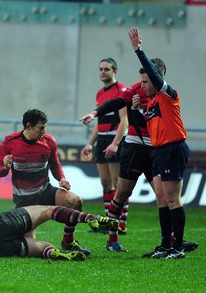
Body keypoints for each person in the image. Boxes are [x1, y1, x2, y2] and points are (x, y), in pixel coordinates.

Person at [80, 68, 198, 254]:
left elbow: (156, 119)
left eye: (146, 81)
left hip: (158, 149)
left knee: (164, 197)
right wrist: (95, 113)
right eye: (142, 81)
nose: (142, 84)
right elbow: (118, 104)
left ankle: (173, 243)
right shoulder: (134, 90)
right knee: (122, 192)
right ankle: (113, 239)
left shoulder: (164, 95)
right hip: (135, 148)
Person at [128, 27, 190, 259]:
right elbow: (146, 126)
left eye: (145, 81)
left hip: (173, 148)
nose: (142, 85)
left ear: (156, 78)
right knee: (162, 199)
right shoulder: (153, 103)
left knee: (173, 199)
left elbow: (155, 77)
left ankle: (179, 247)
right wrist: (136, 110)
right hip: (160, 151)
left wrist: (138, 51)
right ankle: (165, 245)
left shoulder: (168, 95)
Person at [0, 109, 90, 256]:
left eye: (45, 127)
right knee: (29, 243)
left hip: (45, 191)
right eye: (41, 127)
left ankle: (68, 241)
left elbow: (55, 164)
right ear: (28, 126)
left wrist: (62, 179)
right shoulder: (10, 142)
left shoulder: (49, 141)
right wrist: (5, 167)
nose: (44, 131)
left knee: (75, 201)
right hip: (24, 199)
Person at [81, 58, 129, 235]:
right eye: (100, 69)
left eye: (106, 69)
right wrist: (89, 144)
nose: (102, 72)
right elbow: (98, 122)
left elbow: (124, 120)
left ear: (114, 71)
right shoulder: (100, 93)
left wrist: (115, 143)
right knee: (105, 183)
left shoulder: (121, 91)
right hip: (102, 139)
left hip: (114, 140)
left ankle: (120, 223)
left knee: (118, 184)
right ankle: (108, 221)